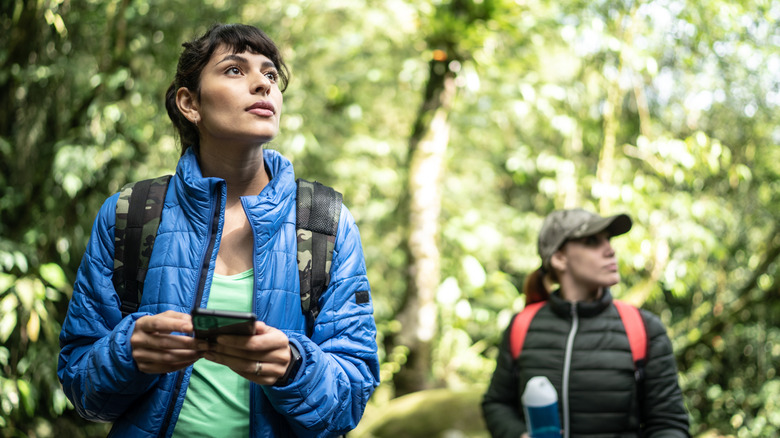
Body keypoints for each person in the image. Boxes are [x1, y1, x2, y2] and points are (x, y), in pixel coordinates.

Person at [58, 23, 380, 437]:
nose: (262, 85)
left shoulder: (323, 222)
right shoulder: (132, 214)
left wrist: (293, 366)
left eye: (270, 74)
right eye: (234, 70)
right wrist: (129, 354)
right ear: (189, 103)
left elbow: (350, 400)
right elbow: (82, 388)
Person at [482, 209, 690, 437]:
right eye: (592, 241)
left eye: (608, 240)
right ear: (560, 258)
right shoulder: (522, 325)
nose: (610, 250)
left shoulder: (643, 329)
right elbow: (496, 404)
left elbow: (669, 424)